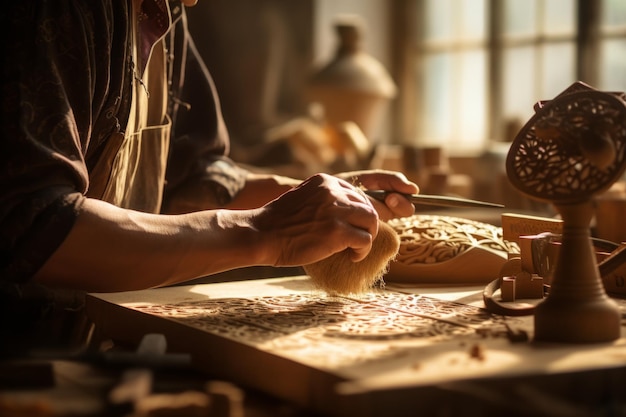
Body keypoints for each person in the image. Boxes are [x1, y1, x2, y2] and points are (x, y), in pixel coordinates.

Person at [0, 0, 418, 352]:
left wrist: (311, 201)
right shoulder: (54, 12)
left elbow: (194, 181)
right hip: (22, 359)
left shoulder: (164, 14)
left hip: (96, 345)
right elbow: (34, 227)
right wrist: (266, 231)